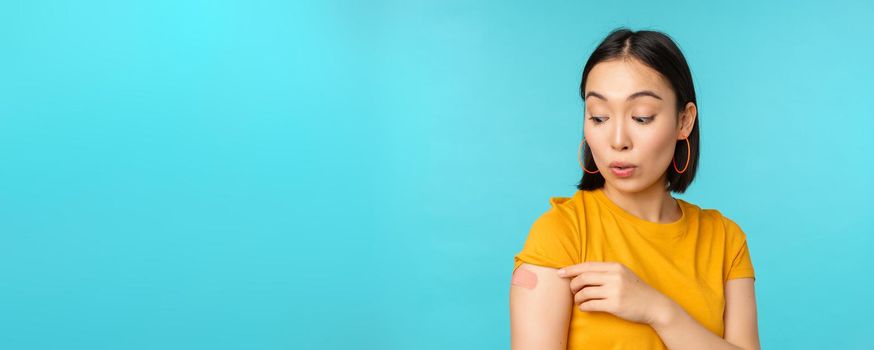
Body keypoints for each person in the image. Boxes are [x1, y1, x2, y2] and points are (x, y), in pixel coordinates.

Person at [509, 28, 760, 350]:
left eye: (641, 118)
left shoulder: (725, 239)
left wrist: (659, 311)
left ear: (684, 121)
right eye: (598, 117)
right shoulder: (562, 233)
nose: (617, 141)